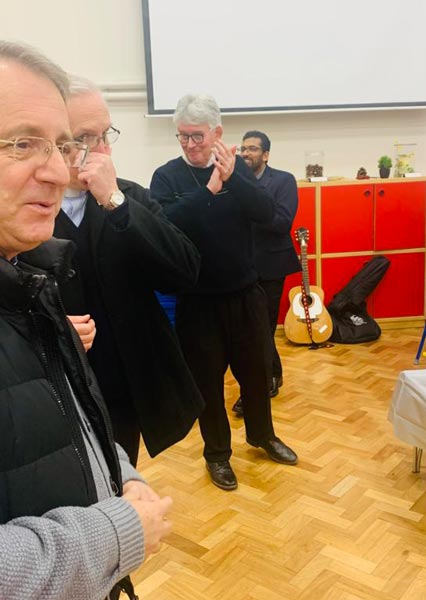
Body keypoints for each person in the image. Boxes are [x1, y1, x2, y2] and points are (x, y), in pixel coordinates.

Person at [0, 40, 172, 600]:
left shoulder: (26, 272)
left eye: (63, 144)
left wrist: (119, 476)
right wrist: (116, 532)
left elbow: (183, 268)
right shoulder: (31, 251)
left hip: (124, 382)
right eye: (24, 143)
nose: (59, 168)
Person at [53, 76, 204, 467]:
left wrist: (115, 203)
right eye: (84, 138)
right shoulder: (26, 207)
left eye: (106, 135)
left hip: (124, 383)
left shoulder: (130, 197)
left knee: (122, 475)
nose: (102, 151)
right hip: (57, 388)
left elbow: (184, 271)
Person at [150, 94, 298, 492]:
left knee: (257, 373)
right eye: (182, 136)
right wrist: (211, 189)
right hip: (198, 301)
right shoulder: (167, 177)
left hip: (246, 294)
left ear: (217, 133)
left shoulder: (240, 171)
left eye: (196, 136)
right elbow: (166, 225)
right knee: (208, 384)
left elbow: (267, 213)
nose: (189, 144)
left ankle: (262, 436)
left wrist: (233, 179)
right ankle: (217, 454)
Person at [232, 131, 300, 416]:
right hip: (240, 266)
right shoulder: (233, 180)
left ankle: (255, 390)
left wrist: (250, 210)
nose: (246, 153)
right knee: (250, 329)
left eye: (252, 149)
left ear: (266, 155)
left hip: (271, 266)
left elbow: (282, 221)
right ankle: (273, 374)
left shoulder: (283, 181)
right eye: (243, 148)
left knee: (263, 327)